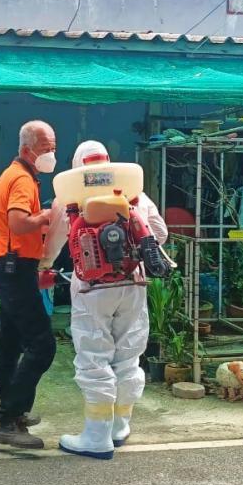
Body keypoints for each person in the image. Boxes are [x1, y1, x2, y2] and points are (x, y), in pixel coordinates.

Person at [41, 140, 168, 459]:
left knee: (94, 357)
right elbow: (160, 234)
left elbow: (53, 243)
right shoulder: (133, 192)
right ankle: (119, 427)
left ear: (77, 165)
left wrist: (44, 266)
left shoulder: (68, 196)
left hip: (91, 288)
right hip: (133, 281)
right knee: (128, 355)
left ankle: (96, 436)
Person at [0, 120, 58, 449]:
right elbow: (17, 223)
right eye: (46, 149)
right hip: (14, 268)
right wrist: (46, 216)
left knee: (11, 343)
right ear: (27, 149)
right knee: (42, 345)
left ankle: (10, 412)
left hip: (12, 265)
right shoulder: (21, 179)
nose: (51, 154)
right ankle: (10, 417)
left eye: (54, 148)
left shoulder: (12, 174)